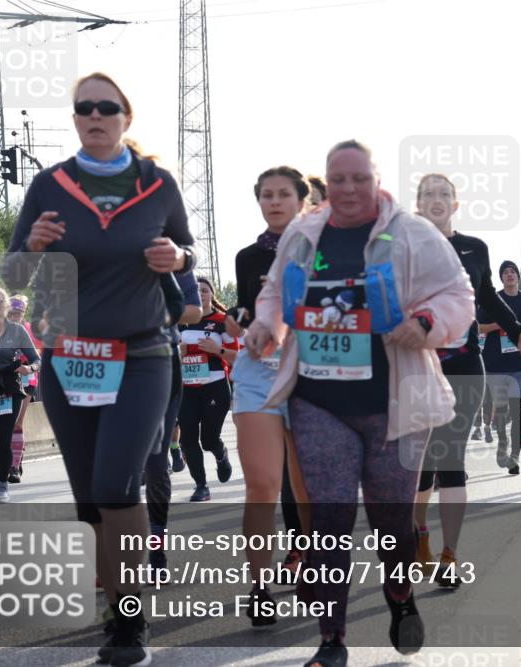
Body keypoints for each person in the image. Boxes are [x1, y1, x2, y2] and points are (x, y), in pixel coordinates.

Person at [244, 140, 475, 666]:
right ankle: (332, 640)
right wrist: (266, 326)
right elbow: (277, 294)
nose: (348, 189)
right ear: (326, 182)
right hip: (317, 397)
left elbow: (459, 297)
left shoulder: (411, 233)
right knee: (328, 519)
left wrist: (425, 323)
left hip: (393, 401)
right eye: (338, 179)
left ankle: (400, 595)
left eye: (358, 179)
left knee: (391, 523)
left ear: (377, 181)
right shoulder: (304, 233)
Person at [2, 71, 195, 667]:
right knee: (89, 496)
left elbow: (188, 263)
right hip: (68, 358)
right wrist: (31, 247)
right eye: (83, 106)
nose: (94, 114)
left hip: (141, 356)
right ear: (77, 117)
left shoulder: (158, 185)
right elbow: (12, 280)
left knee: (117, 485)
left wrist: (178, 257)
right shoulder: (49, 185)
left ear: (125, 117)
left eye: (106, 106)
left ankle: (128, 622)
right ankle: (116, 592)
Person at [414, 174, 521, 583]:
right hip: (415, 368)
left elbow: (488, 297)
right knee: (419, 466)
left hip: (465, 365)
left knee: (450, 460)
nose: (436, 200)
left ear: (456, 203)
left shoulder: (474, 249)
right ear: (418, 204)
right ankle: (420, 537)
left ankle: (449, 555)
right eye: (428, 194)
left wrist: (518, 330)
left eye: (444, 194)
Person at [224, 165, 310, 626]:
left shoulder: (324, 250)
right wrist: (239, 318)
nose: (274, 202)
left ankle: (315, 569)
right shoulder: (247, 256)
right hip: (258, 372)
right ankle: (259, 587)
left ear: (301, 200)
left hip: (312, 374)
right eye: (266, 195)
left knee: (307, 487)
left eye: (283, 194)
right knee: (262, 485)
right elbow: (244, 303)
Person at [142, 270, 201, 579]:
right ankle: (111, 551)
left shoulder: (170, 256)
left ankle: (157, 544)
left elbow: (193, 310)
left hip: (159, 359)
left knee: (154, 463)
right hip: (107, 361)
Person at [0, 286, 40, 503]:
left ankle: (3, 485)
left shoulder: (17, 330)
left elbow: (36, 360)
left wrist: (28, 369)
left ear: (5, 305)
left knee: (4, 439)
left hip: (9, 390)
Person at [177, 275, 239, 501]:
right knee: (188, 438)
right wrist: (177, 353)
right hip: (187, 388)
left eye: (204, 289)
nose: (200, 293)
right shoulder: (180, 320)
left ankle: (221, 455)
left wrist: (216, 350)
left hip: (214, 386)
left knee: (209, 440)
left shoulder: (223, 321)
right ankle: (201, 486)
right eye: (196, 290)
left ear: (212, 294)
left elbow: (238, 357)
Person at [478, 260, 521, 475]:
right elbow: (476, 326)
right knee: (501, 413)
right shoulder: (493, 301)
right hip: (495, 365)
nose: (510, 275)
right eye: (505, 273)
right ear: (501, 278)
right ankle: (503, 447)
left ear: (518, 276)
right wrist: (495, 326)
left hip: (520, 365)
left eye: (513, 272)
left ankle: (515, 457)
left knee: (516, 410)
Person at [5, 294, 41, 483]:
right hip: (3, 378)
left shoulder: (30, 329)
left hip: (26, 378)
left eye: (19, 312)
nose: (15, 315)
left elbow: (40, 355)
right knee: (3, 424)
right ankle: (4, 460)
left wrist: (30, 366)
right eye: (12, 312)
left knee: (17, 422)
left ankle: (14, 466)